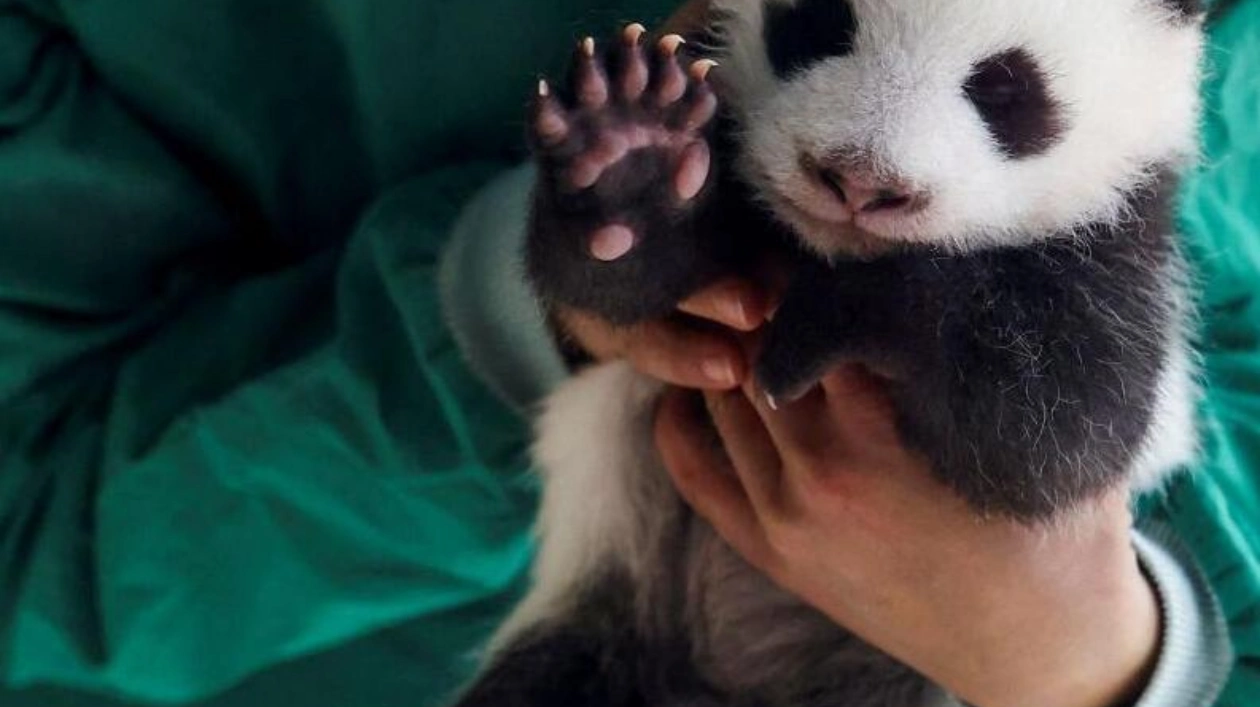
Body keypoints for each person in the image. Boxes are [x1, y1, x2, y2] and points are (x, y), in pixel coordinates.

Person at [0, 2, 1254, 707]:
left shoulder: (1133, 176)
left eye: (998, 94)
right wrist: (553, 279)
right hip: (595, 632)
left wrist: (1097, 663)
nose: (866, 159)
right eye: (822, 28)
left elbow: (1050, 441)